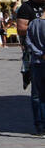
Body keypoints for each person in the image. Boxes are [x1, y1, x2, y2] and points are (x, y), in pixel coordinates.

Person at [15, 0, 45, 102]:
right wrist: (38, 27)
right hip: (35, 52)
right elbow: (21, 29)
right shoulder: (26, 7)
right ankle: (39, 121)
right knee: (37, 92)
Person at [22, 9, 45, 137]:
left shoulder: (33, 23)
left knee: (37, 96)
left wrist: (38, 53)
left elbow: (28, 41)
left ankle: (39, 125)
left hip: (36, 62)